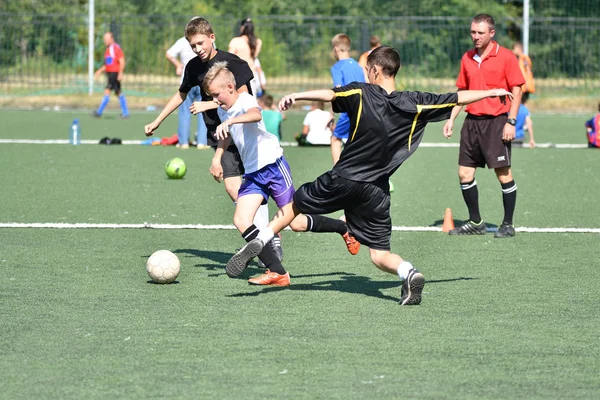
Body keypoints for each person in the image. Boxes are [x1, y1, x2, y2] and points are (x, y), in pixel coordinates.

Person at [227, 45, 512, 305]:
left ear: (375, 70)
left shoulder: (361, 92)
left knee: (293, 205)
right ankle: (409, 272)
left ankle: (262, 239)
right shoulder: (417, 102)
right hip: (377, 190)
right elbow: (457, 96)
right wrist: (491, 92)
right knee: (378, 254)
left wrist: (296, 95)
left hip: (344, 178)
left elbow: (330, 94)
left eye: (367, 69)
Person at [204, 62, 360, 286]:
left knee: (295, 223)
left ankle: (343, 227)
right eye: (212, 96)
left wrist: (231, 120)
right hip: (253, 174)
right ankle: (277, 271)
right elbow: (226, 135)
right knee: (240, 219)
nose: (216, 100)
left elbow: (256, 115)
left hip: (274, 167)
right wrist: (217, 158)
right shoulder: (222, 109)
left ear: (230, 87)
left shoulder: (244, 99)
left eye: (217, 94)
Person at [144, 17, 280, 258]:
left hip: (242, 133)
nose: (197, 49)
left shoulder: (233, 63)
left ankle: (269, 237)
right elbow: (181, 94)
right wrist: (158, 120)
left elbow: (243, 99)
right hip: (219, 135)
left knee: (254, 185)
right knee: (232, 187)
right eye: (192, 46)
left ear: (212, 38)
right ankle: (261, 236)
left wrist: (208, 103)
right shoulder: (193, 67)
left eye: (200, 43)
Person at [442, 14, 525, 239]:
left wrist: (511, 121)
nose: (475, 37)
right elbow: (462, 93)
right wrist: (451, 119)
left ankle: (507, 224)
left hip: (497, 122)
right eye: (473, 32)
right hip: (472, 123)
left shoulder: (506, 57)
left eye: (480, 33)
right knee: (464, 173)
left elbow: (517, 90)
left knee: (503, 173)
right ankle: (476, 222)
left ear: (491, 33)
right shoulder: (467, 58)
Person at [165, 36, 209, 149]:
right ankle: (202, 142)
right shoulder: (206, 40)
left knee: (184, 111)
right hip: (203, 80)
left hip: (187, 80)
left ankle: (183, 141)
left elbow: (169, 54)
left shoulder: (183, 41)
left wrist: (178, 65)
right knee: (203, 110)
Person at [330, 33, 366, 165]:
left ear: (335, 48)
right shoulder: (358, 66)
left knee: (335, 139)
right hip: (364, 108)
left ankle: (336, 173)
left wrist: (331, 114)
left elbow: (337, 91)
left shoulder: (337, 67)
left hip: (349, 110)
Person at [93, 32, 129, 118]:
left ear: (111, 39)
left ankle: (99, 112)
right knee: (118, 92)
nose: (104, 41)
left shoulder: (116, 48)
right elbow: (108, 64)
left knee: (107, 90)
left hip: (114, 74)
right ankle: (125, 113)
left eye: (106, 39)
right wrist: (100, 71)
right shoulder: (108, 50)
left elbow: (122, 61)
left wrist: (120, 73)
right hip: (111, 73)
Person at [228, 17, 263, 98]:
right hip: (251, 74)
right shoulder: (257, 42)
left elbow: (229, 59)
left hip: (237, 75)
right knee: (251, 100)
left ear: (242, 27)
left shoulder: (235, 41)